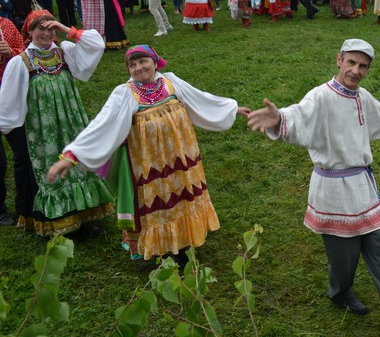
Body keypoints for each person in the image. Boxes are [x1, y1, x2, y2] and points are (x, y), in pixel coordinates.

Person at [246, 39, 380, 333]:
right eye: (351, 63)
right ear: (339, 60)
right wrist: (278, 119)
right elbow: (298, 116)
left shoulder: (361, 97)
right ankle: (341, 292)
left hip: (362, 188)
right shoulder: (320, 97)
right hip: (333, 192)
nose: (356, 71)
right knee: (343, 259)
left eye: (363, 66)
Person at [48, 45, 249, 262]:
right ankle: (163, 248)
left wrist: (231, 109)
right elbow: (102, 124)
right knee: (159, 199)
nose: (138, 68)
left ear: (155, 62)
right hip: (149, 163)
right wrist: (72, 156)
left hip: (180, 156)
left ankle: (184, 239)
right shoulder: (125, 93)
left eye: (142, 61)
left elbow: (199, 99)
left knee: (182, 192)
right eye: (132, 65)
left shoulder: (171, 82)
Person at [0, 13, 114, 235]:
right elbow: (9, 100)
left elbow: (96, 44)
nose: (47, 33)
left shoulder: (65, 52)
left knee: (75, 163)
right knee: (50, 167)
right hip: (43, 128)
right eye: (40, 28)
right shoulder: (20, 62)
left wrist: (65, 28)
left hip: (71, 120)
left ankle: (83, 215)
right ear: (29, 32)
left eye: (50, 28)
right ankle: (58, 219)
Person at [0, 17, 30, 226]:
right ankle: (0, 210)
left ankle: (24, 205)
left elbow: (24, 53)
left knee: (22, 152)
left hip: (11, 96)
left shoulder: (6, 25)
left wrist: (10, 52)